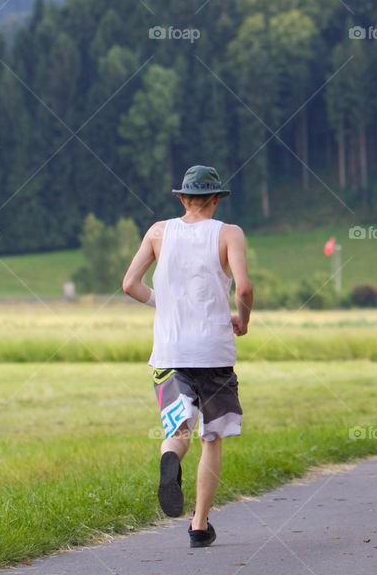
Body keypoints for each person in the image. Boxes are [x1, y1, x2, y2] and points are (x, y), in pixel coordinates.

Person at [122, 164, 253, 548]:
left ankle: (171, 458)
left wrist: (163, 303)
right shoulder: (229, 233)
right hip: (213, 353)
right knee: (211, 437)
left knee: (177, 431)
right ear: (215, 200)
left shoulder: (158, 232)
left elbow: (129, 284)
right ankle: (199, 525)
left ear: (182, 198)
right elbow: (244, 289)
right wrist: (243, 320)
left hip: (169, 353)